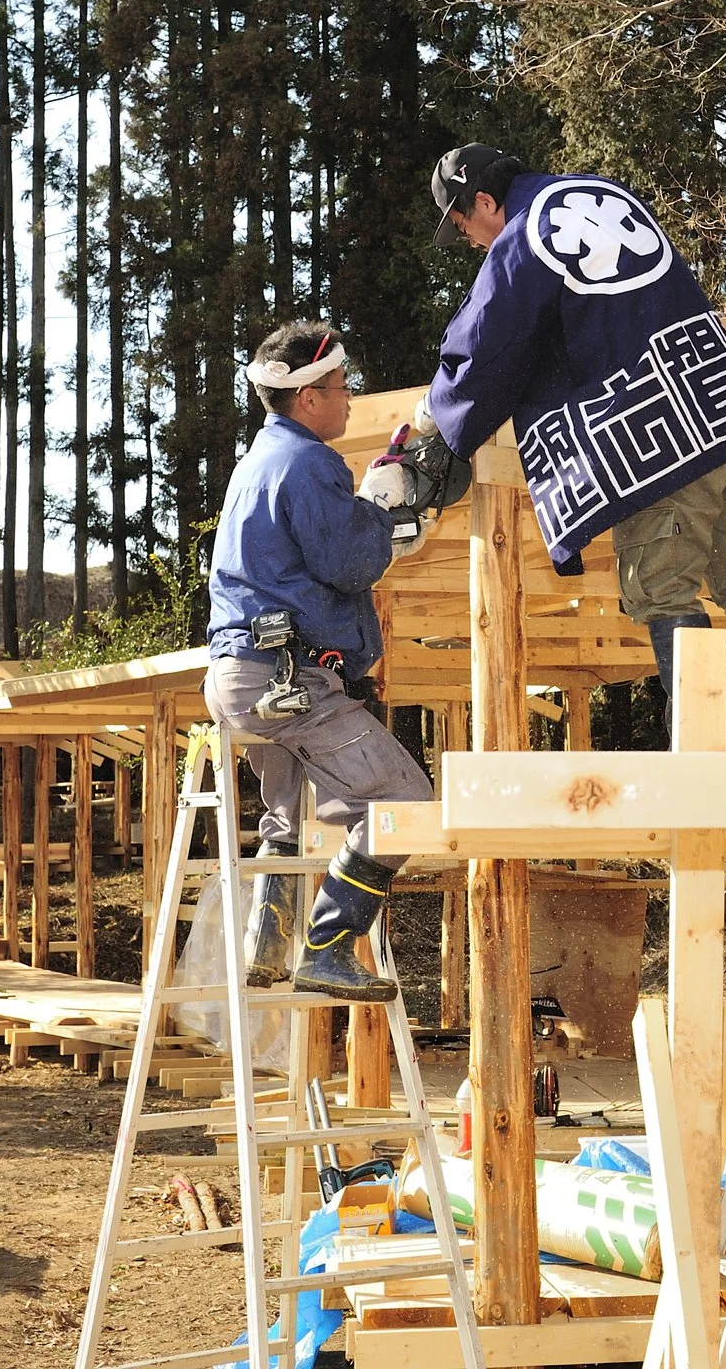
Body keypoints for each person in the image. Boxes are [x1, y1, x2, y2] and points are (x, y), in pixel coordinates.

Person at [411, 144, 726, 745]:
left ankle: (699, 764)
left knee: (662, 587)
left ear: (483, 200)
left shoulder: (527, 232)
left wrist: (440, 412)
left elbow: (489, 341)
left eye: (465, 227)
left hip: (664, 440)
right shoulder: (602, 192)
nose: (472, 242)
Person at [204, 320, 435, 1003]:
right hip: (286, 679)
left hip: (244, 675)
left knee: (290, 819)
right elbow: (348, 561)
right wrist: (377, 512)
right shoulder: (307, 464)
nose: (350, 399)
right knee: (405, 804)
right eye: (341, 388)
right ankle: (329, 947)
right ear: (309, 397)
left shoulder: (259, 460)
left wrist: (366, 512)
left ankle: (265, 948)